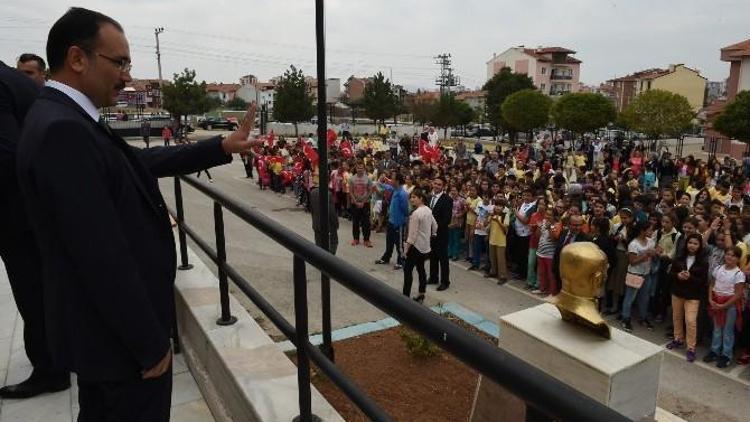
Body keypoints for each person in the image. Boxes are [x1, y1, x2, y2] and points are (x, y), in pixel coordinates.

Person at [15, 8, 262, 421]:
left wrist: (218, 147)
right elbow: (100, 258)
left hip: (102, 337)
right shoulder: (64, 130)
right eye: (120, 62)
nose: (127, 75)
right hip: (119, 345)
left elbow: (134, 163)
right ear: (78, 59)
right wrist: (149, 343)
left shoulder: (67, 119)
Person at [1, 59, 70, 398]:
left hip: (18, 216)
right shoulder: (19, 82)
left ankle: (50, 370)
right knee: (45, 291)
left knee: (33, 294)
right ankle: (59, 359)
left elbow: (7, 156)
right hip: (38, 210)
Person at [666, 233, 708, 363]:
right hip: (677, 292)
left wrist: (690, 277)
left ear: (700, 246)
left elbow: (702, 281)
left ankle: (691, 348)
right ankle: (678, 339)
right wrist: (678, 275)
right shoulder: (679, 257)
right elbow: (671, 274)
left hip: (693, 296)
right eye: (690, 243)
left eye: (695, 243)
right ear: (686, 244)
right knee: (677, 317)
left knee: (690, 321)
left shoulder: (703, 262)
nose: (692, 246)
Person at [703, 246, 745, 368]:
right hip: (716, 302)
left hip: (729, 305)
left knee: (728, 331)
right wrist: (711, 299)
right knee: (717, 328)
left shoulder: (738, 274)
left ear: (738, 258)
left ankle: (726, 355)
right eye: (727, 254)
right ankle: (714, 351)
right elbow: (712, 284)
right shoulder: (718, 268)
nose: (729, 257)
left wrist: (723, 306)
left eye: (733, 255)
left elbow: (738, 294)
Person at [620, 221, 658, 332]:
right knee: (630, 298)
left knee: (644, 298)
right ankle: (625, 318)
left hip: (646, 274)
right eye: (650, 230)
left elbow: (654, 253)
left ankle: (643, 317)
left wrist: (655, 253)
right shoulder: (634, 244)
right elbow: (632, 261)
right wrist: (646, 254)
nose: (652, 232)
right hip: (635, 274)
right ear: (642, 231)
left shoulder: (651, 241)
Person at [402, 189, 437, 303]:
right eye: (411, 197)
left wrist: (406, 250)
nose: (412, 199)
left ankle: (405, 298)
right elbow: (435, 225)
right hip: (425, 246)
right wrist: (433, 234)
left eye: (414, 197)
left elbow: (412, 234)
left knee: (408, 270)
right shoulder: (428, 210)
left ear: (421, 198)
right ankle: (421, 294)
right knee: (421, 269)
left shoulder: (416, 214)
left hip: (415, 246)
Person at [376, 173, 409, 269]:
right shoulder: (395, 189)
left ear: (397, 181)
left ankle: (401, 261)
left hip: (398, 224)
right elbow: (387, 185)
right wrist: (381, 180)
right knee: (389, 242)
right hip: (391, 221)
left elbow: (405, 210)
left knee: (399, 245)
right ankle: (386, 258)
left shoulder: (402, 194)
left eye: (393, 179)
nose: (391, 181)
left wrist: (402, 221)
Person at [428, 176, 453, 291]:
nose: (436, 186)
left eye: (439, 184)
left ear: (443, 186)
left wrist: (435, 228)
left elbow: (447, 219)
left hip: (441, 233)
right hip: (429, 233)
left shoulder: (447, 199)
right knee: (432, 256)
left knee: (443, 259)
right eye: (435, 183)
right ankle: (433, 277)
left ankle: (445, 281)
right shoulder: (429, 197)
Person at [309, 182, 339, 254]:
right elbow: (331, 212)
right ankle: (330, 259)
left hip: (316, 223)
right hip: (328, 224)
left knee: (318, 242)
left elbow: (312, 209)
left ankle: (320, 258)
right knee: (333, 241)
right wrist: (336, 223)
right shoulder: (328, 194)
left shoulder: (312, 193)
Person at [349, 161, 373, 247]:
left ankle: (366, 239)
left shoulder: (368, 179)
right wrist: (355, 202)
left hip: (365, 204)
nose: (360, 170)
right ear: (356, 168)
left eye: (361, 168)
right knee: (355, 222)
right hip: (354, 203)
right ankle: (356, 239)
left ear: (364, 168)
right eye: (358, 168)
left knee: (366, 223)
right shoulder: (352, 178)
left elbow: (370, 191)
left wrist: (363, 201)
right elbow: (350, 191)